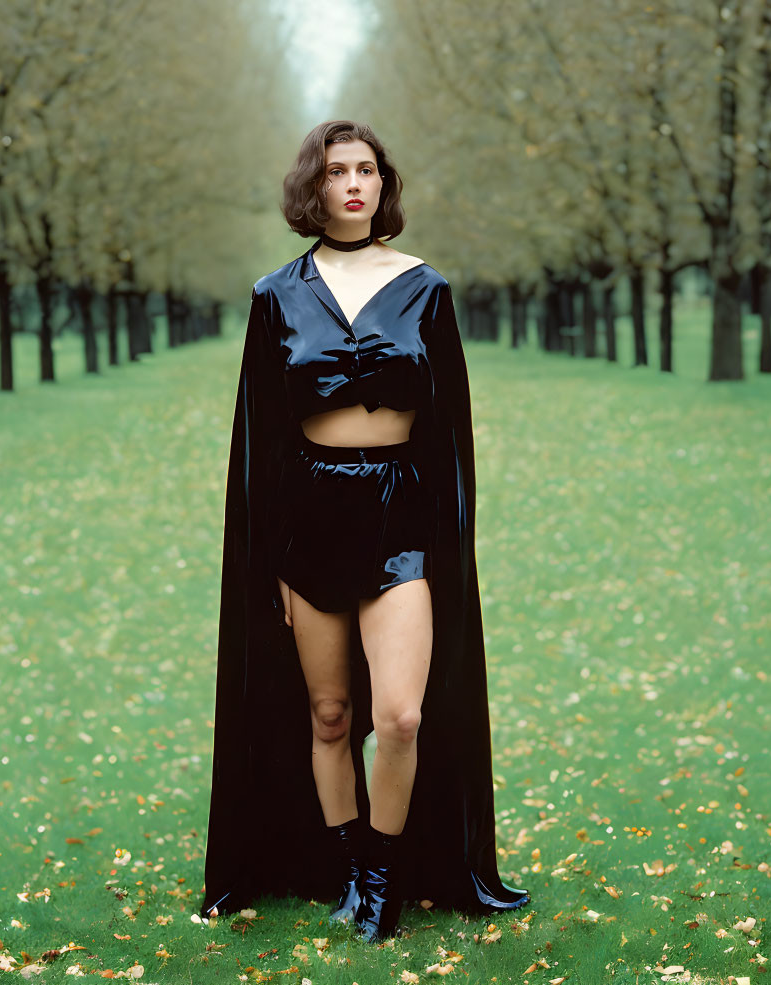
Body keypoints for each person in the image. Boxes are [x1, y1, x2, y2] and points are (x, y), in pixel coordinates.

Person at [200, 120, 528, 942]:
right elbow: (263, 438)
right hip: (308, 514)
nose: (354, 183)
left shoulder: (425, 288)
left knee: (403, 715)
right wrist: (266, 559)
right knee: (331, 714)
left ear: (384, 185)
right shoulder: (275, 295)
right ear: (312, 188)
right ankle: (347, 866)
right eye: (337, 170)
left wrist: (451, 541)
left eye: (367, 170)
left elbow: (448, 429)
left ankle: (382, 878)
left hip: (400, 513)